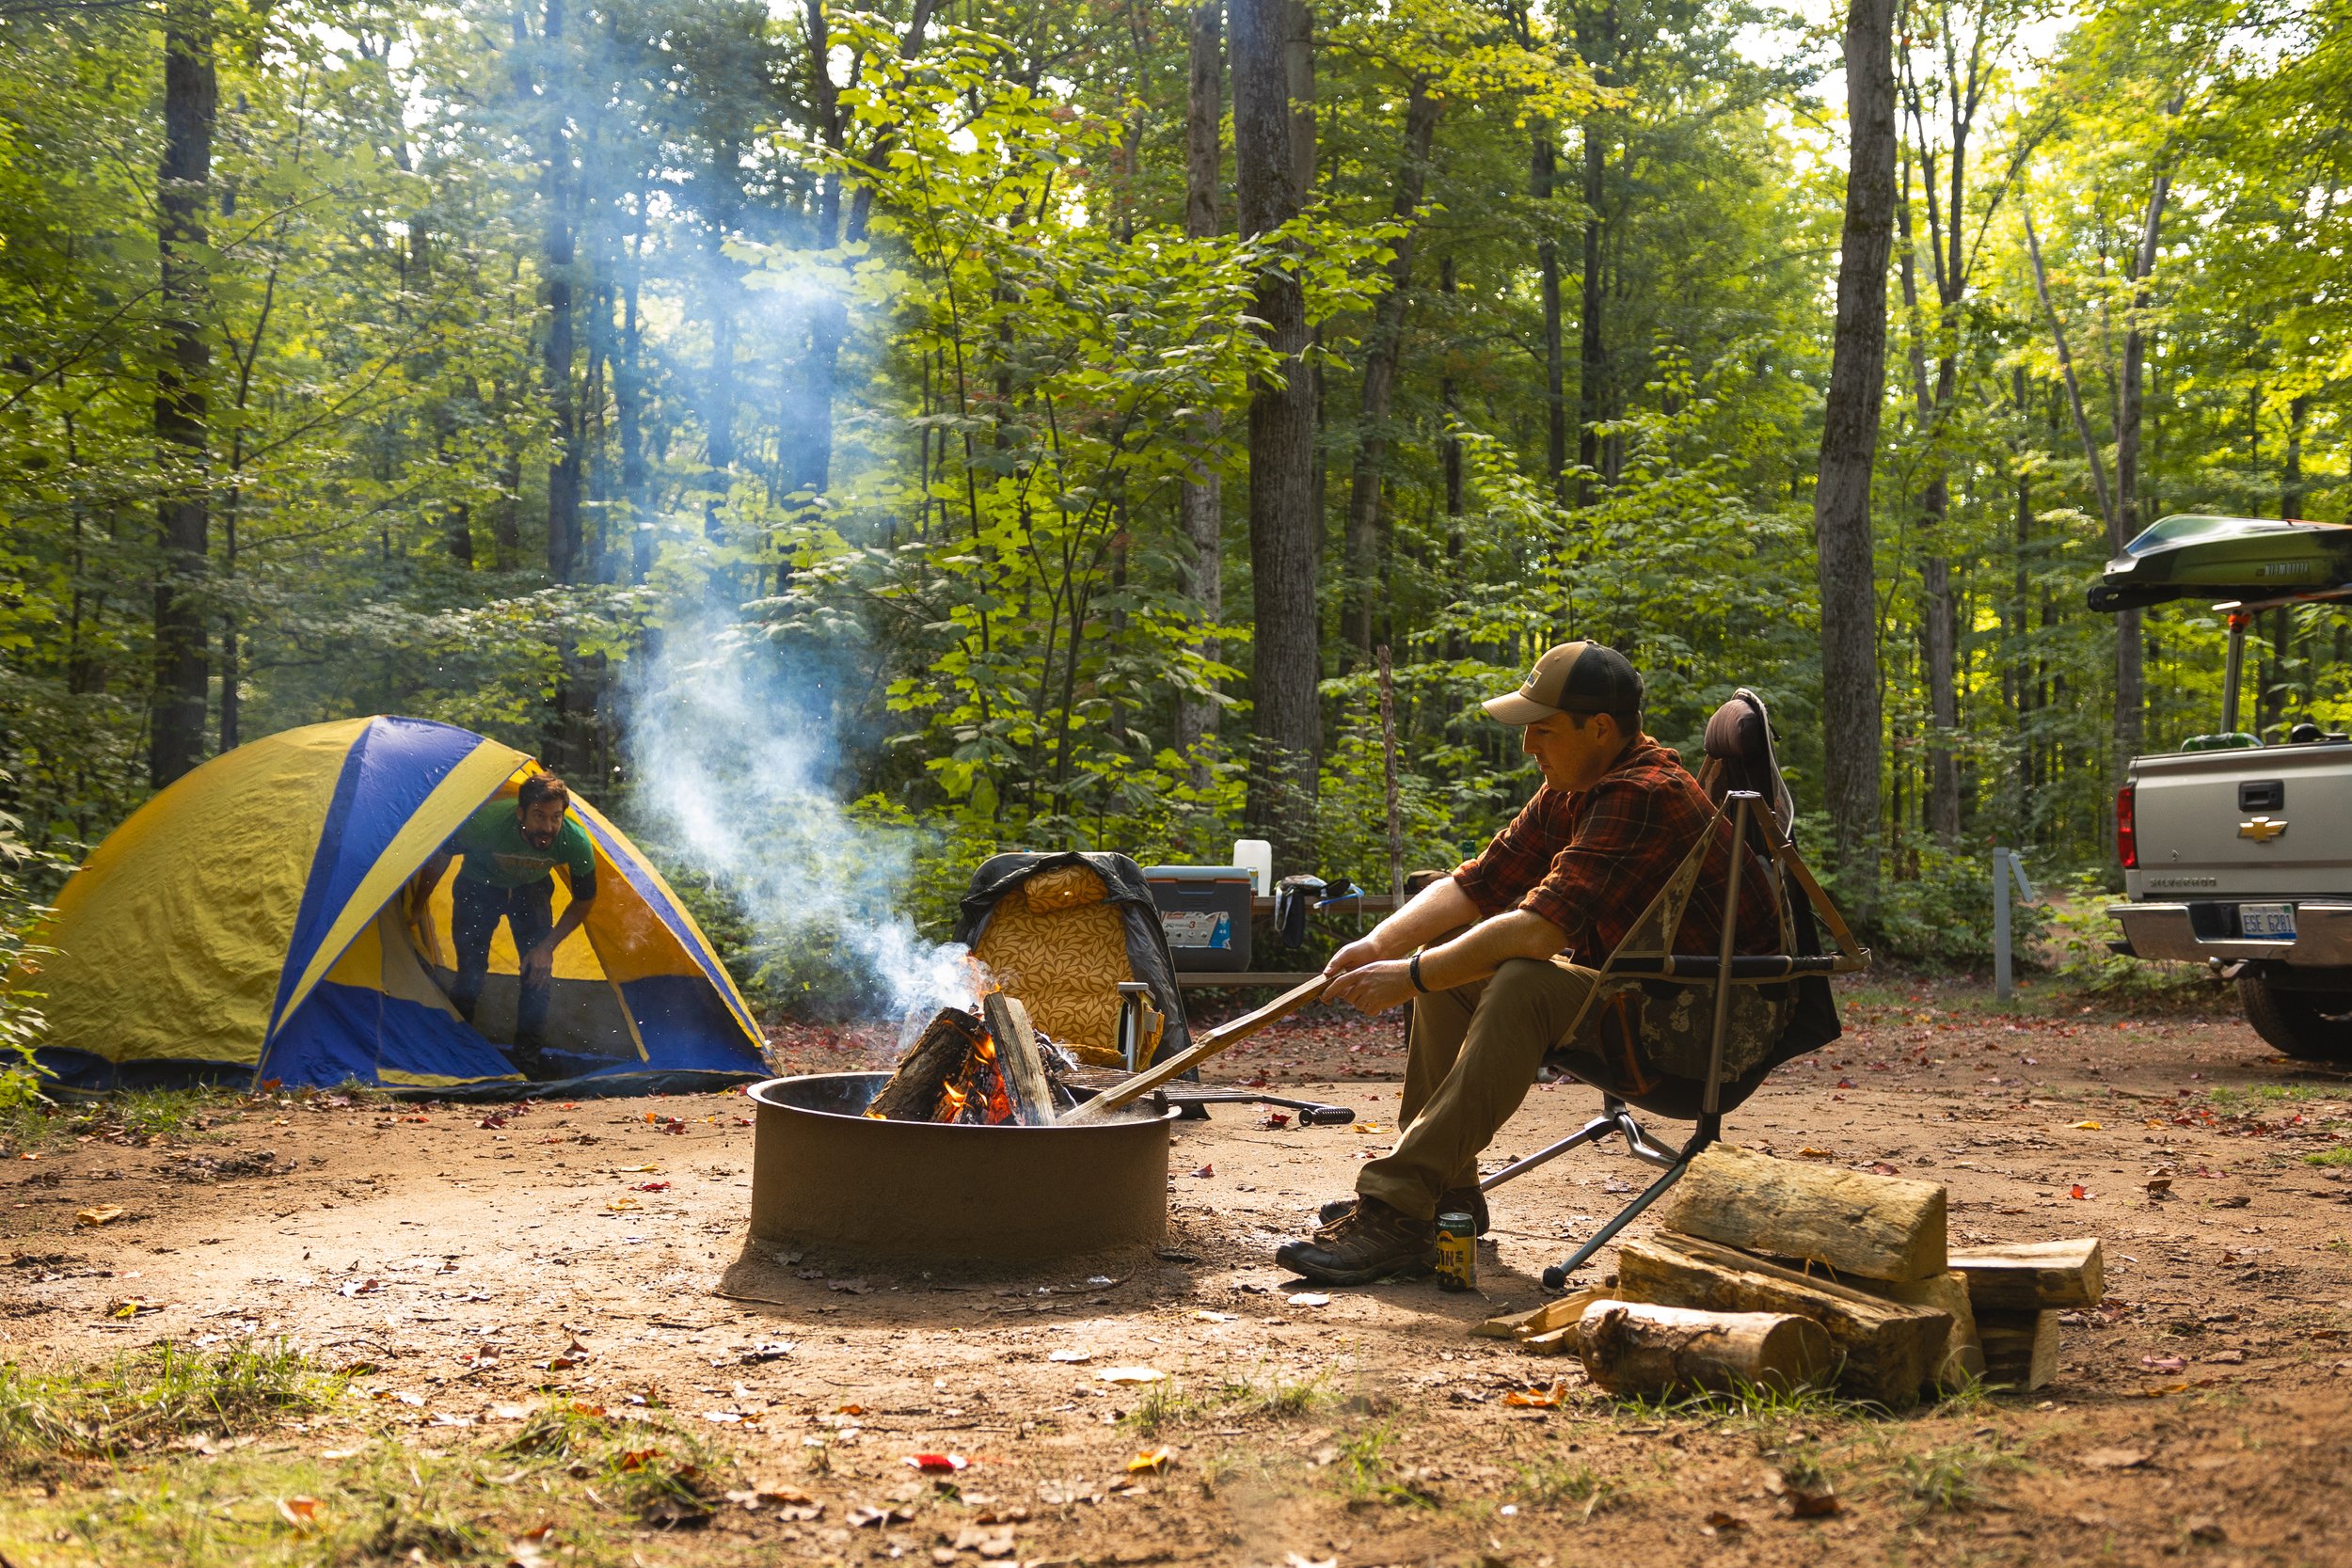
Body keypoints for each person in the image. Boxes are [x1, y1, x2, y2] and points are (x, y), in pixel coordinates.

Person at [1274, 641, 1780, 1286]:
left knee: (1519, 978)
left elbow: (1539, 931)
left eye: (1542, 729)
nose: (1527, 746)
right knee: (1451, 980)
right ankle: (1439, 1198)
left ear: (1599, 728)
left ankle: (1399, 1204)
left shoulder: (1643, 792)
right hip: (1644, 997)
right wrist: (1381, 945)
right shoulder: (1575, 786)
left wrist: (1410, 973)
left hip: (1703, 1025)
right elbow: (1477, 884)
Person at [411, 773, 597, 1081]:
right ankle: (456, 1059)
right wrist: (419, 904)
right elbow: (441, 853)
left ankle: (527, 1066)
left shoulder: (573, 842)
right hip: (478, 885)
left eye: (555, 818)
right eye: (539, 816)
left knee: (537, 973)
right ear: (520, 813)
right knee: (471, 971)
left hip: (531, 890)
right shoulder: (488, 823)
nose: (548, 828)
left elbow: (585, 899)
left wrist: (545, 949)